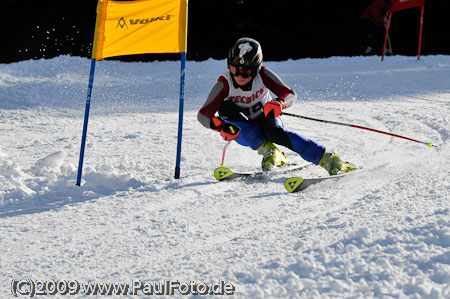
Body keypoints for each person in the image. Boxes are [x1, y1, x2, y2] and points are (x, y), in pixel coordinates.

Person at [197, 37, 355, 175]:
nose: (239, 76)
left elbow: (290, 94)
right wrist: (218, 125)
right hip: (243, 124)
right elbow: (204, 114)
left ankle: (330, 160)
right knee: (224, 109)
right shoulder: (225, 82)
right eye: (234, 69)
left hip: (266, 117)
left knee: (276, 133)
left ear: (256, 69)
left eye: (245, 72)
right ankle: (271, 152)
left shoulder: (263, 75)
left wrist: (280, 103)